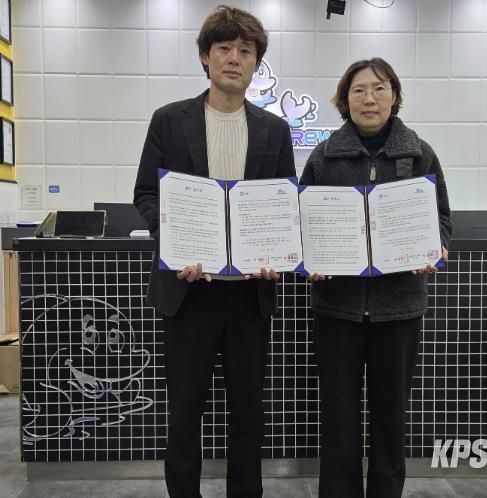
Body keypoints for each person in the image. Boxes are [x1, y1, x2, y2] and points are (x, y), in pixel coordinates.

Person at [133, 6, 295, 498]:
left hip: (249, 295)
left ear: (256, 63)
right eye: (224, 48)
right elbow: (146, 194)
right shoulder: (169, 120)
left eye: (245, 51)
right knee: (185, 414)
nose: (234, 58)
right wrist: (175, 242)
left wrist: (276, 256)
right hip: (188, 292)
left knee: (248, 414)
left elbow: (283, 204)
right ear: (205, 57)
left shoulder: (274, 130)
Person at [299, 58, 452, 498]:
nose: (369, 98)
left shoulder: (419, 153)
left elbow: (442, 218)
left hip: (399, 309)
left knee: (390, 419)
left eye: (379, 88)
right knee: (338, 420)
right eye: (359, 90)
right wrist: (308, 257)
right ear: (345, 100)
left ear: (394, 96)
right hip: (337, 310)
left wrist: (435, 248)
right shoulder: (324, 156)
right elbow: (302, 221)